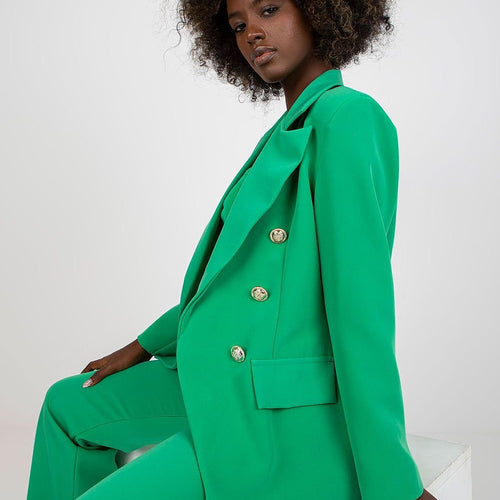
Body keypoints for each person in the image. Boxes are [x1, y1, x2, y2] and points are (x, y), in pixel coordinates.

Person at [26, 0, 438, 499]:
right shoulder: (288, 130)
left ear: (320, 11)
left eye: (269, 10)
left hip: (277, 408)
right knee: (65, 405)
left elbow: (360, 307)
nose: (252, 34)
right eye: (239, 25)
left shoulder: (348, 118)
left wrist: (395, 483)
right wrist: (142, 345)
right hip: (226, 372)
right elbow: (233, 282)